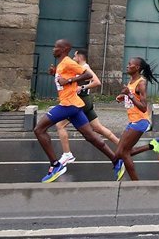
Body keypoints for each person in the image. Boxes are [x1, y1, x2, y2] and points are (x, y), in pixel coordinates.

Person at [33, 39, 123, 183]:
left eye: (56, 47)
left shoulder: (68, 62)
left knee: (39, 129)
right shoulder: (62, 64)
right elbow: (66, 78)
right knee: (91, 136)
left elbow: (87, 75)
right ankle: (116, 161)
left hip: (68, 105)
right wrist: (54, 73)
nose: (53, 49)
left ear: (64, 49)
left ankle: (55, 165)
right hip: (74, 106)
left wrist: (68, 82)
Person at [54, 49, 120, 166]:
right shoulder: (78, 67)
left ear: (79, 57)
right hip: (84, 102)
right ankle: (122, 146)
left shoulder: (85, 67)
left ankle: (67, 154)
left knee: (60, 125)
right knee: (98, 128)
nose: (73, 58)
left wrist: (83, 87)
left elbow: (97, 82)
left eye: (74, 56)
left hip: (81, 101)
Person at [113, 57, 159, 181]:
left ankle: (136, 183)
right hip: (133, 121)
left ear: (137, 68)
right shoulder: (132, 80)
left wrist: (129, 95)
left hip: (140, 121)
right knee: (119, 154)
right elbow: (132, 97)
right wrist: (123, 97)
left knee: (123, 153)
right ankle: (153, 145)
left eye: (130, 64)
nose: (127, 66)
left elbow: (144, 107)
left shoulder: (141, 83)